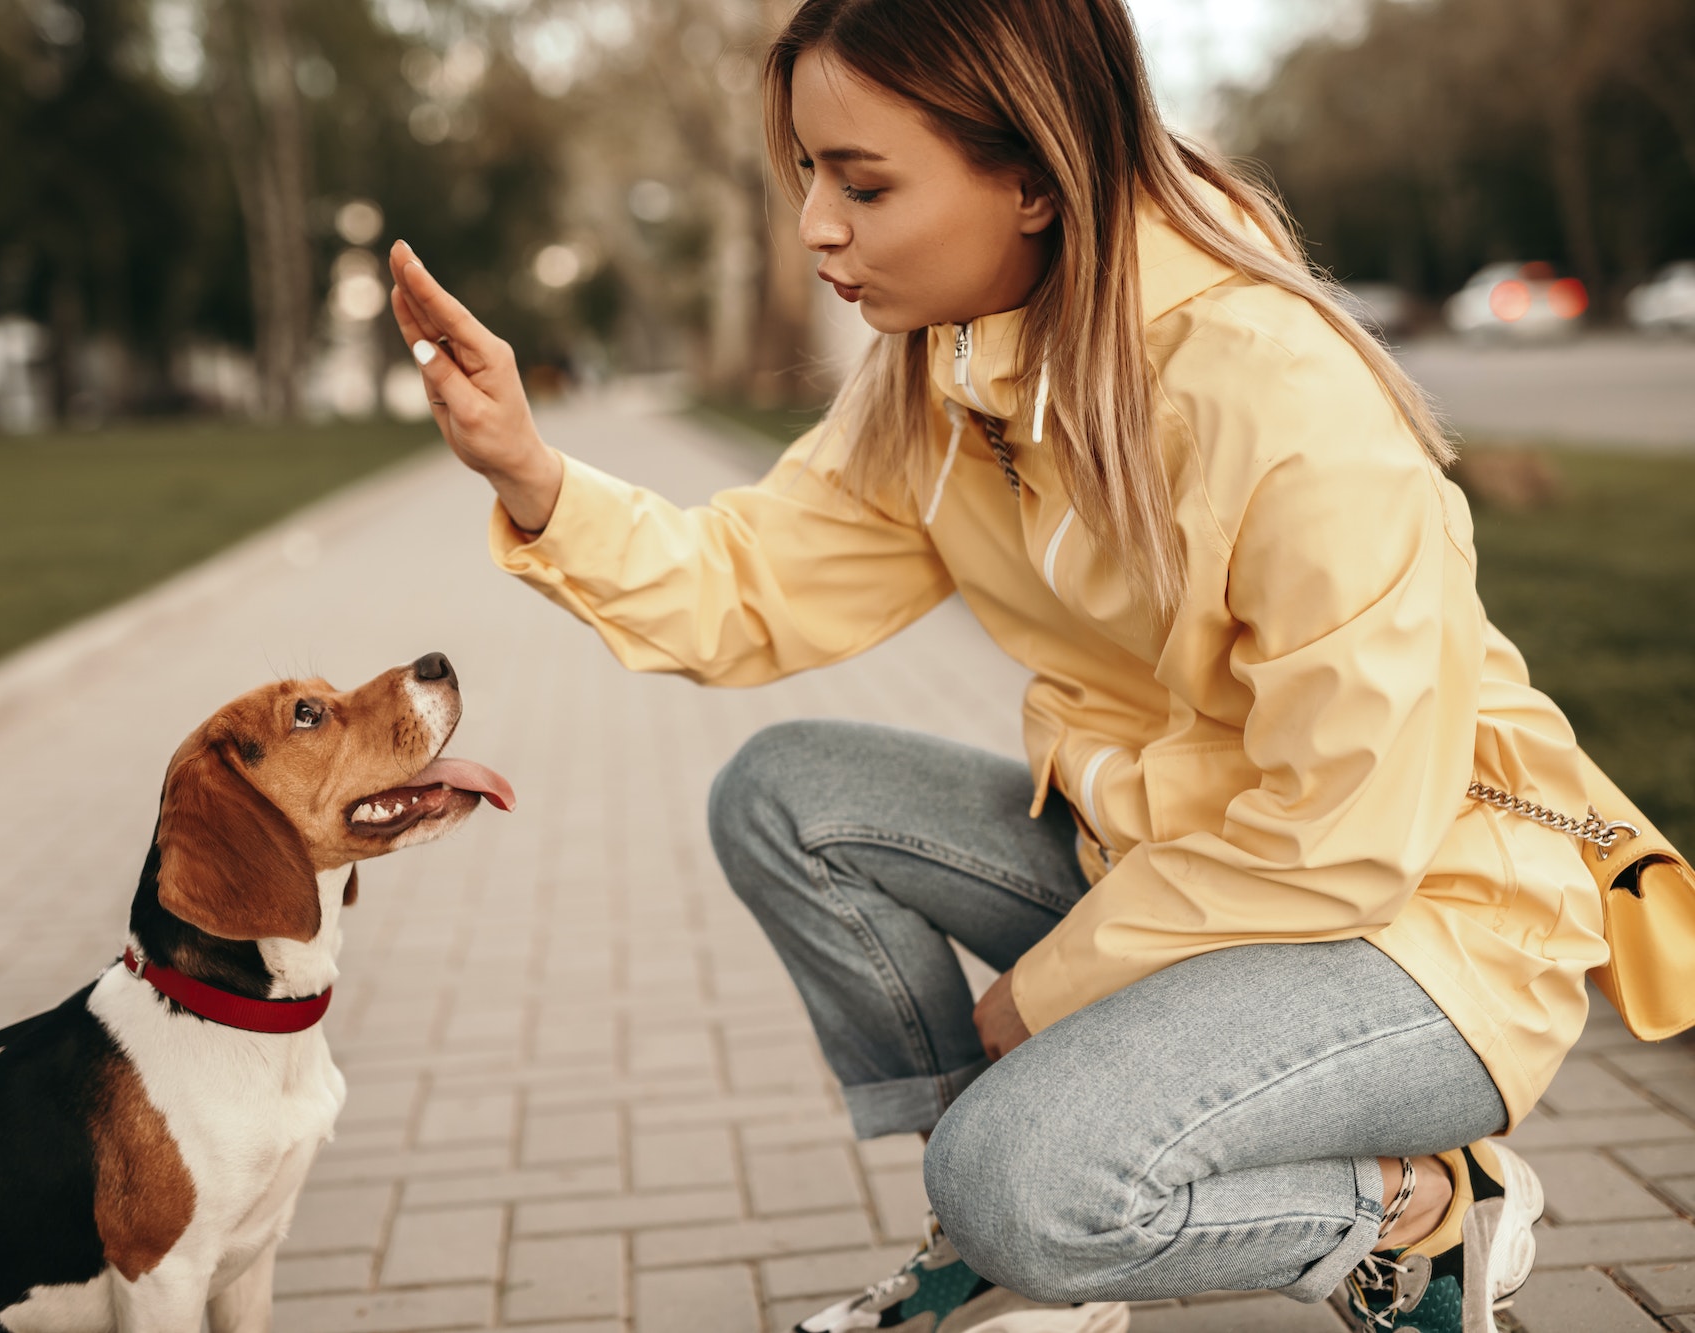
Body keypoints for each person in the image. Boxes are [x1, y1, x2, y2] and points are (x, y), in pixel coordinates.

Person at [385, 1, 1606, 1328]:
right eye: (807, 174)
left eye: (863, 182)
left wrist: (1049, 990)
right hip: (1174, 873)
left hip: (1422, 931)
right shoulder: (948, 376)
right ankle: (1023, 1237)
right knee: (790, 794)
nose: (817, 226)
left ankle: (1413, 1214)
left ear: (1032, 174)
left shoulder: (1281, 400)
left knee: (1020, 1176)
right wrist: (532, 470)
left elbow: (1343, 838)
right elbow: (746, 588)